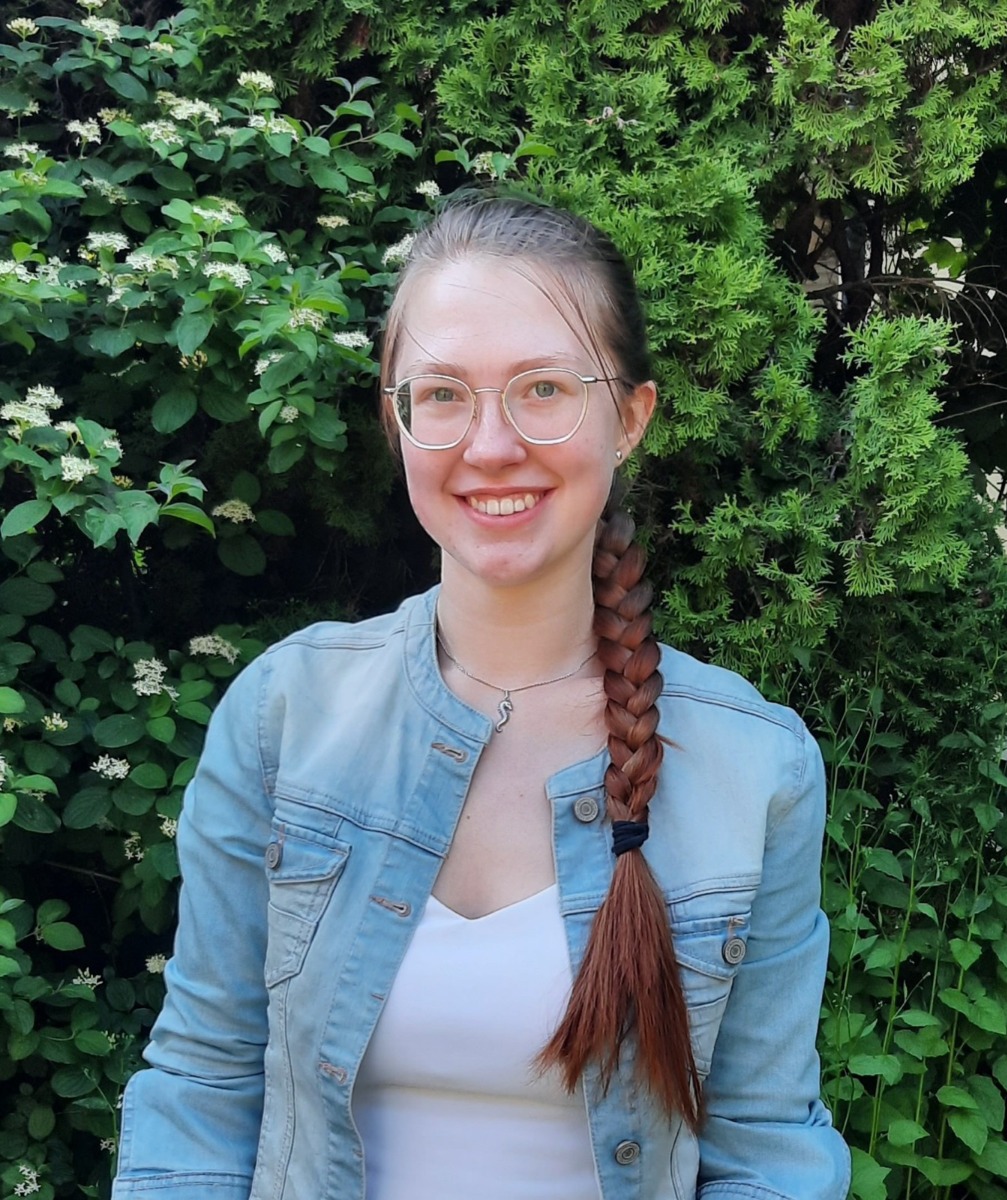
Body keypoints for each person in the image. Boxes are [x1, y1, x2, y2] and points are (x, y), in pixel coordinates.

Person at [112, 195, 851, 1200]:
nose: (491, 444)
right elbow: (201, 1090)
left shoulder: (753, 764)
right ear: (399, 420)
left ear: (630, 417)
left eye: (543, 388)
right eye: (444, 393)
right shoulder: (285, 713)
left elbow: (764, 1148)